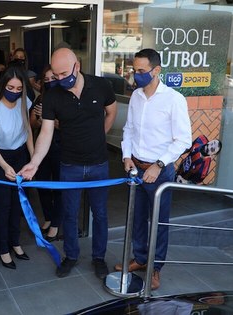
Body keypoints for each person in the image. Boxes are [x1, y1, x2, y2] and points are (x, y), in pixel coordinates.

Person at [19, 47, 117, 280]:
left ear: (77, 66)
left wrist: (99, 136)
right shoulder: (53, 95)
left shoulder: (102, 85)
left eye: (64, 74)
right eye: (56, 74)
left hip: (99, 164)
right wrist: (35, 162)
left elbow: (111, 112)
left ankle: (99, 258)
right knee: (70, 214)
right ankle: (71, 256)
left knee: (100, 214)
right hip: (70, 165)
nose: (60, 79)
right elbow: (45, 133)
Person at [118, 48, 192, 290]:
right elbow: (129, 129)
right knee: (137, 217)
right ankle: (140, 259)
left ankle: (156, 267)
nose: (136, 75)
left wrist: (159, 165)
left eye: (141, 71)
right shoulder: (136, 97)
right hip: (136, 170)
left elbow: (183, 140)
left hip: (160, 172)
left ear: (156, 70)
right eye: (134, 70)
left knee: (159, 222)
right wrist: (126, 157)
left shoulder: (174, 99)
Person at [0, 64, 34, 269]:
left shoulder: (25, 102)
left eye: (18, 89)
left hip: (20, 156)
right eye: (10, 88)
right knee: (3, 206)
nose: (14, 92)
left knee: (18, 204)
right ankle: (3, 248)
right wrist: (4, 166)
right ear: (2, 86)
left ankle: (15, 242)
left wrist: (32, 158)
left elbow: (28, 130)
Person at [29, 65, 61, 242]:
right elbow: (33, 124)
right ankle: (48, 217)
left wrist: (52, 121)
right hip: (42, 149)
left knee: (59, 187)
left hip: (60, 148)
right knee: (41, 184)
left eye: (53, 79)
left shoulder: (65, 98)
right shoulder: (41, 98)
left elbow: (69, 127)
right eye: (46, 80)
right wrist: (40, 118)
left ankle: (56, 223)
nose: (50, 82)